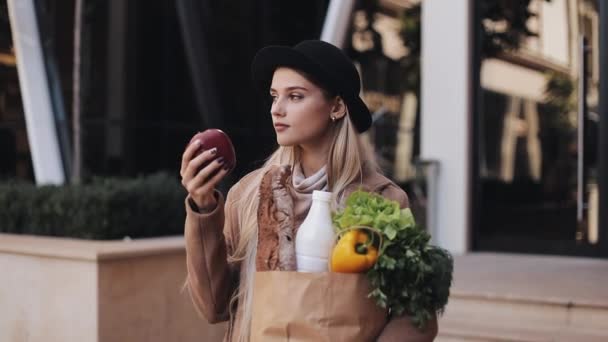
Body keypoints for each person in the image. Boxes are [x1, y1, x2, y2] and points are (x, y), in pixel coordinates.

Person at [181, 40, 437, 342]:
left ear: (337, 106)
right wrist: (202, 209)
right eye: (274, 96)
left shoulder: (382, 201)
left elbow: (418, 317)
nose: (277, 109)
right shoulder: (248, 195)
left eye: (295, 96)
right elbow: (214, 307)